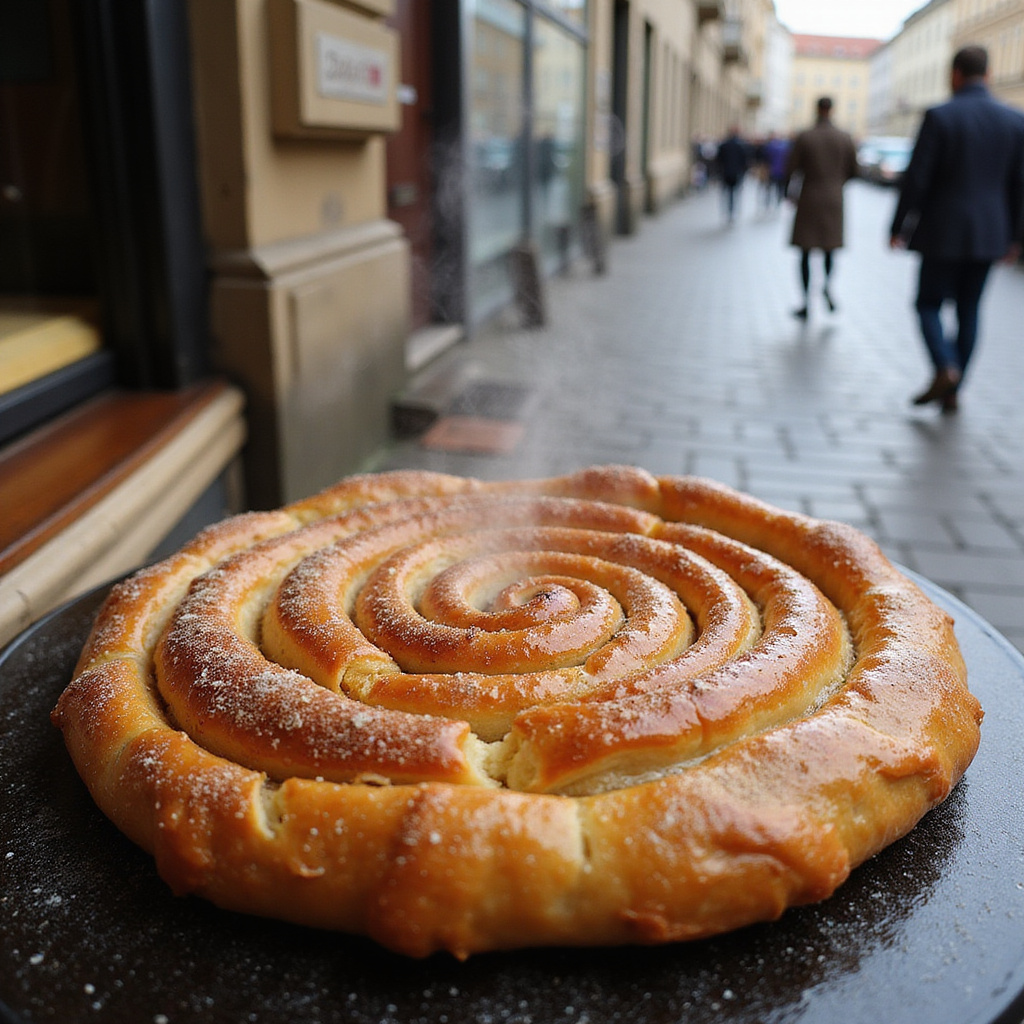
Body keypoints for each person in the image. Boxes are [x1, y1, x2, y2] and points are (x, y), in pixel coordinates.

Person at [890, 45, 1024, 413]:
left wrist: (898, 226)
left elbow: (917, 179)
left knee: (928, 303)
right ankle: (954, 387)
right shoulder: (1015, 120)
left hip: (942, 232)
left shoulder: (940, 116)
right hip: (990, 233)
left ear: (955, 74)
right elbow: (1020, 185)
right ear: (990, 74)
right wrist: (1015, 236)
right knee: (969, 308)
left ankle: (944, 367)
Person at [785, 97, 858, 319]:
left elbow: (792, 168)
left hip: (809, 197)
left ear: (817, 109)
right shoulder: (844, 138)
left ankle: (806, 302)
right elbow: (854, 171)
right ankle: (826, 285)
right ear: (832, 110)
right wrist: (836, 183)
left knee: (805, 252)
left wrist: (789, 193)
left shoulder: (806, 136)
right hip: (834, 199)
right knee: (829, 248)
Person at [716, 126, 749, 224]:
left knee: (727, 193)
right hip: (736, 172)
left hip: (725, 172)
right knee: (735, 193)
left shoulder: (724, 145)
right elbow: (745, 160)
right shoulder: (741, 145)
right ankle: (733, 210)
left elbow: (719, 159)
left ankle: (728, 211)